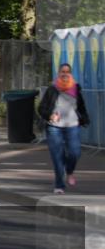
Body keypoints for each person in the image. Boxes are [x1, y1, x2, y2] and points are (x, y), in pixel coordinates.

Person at [38, 63, 90, 194]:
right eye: (62, 71)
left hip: (72, 126)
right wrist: (50, 116)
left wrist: (85, 118)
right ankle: (59, 185)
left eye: (67, 72)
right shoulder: (52, 89)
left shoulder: (75, 88)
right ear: (58, 73)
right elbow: (41, 108)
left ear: (70, 74)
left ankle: (69, 170)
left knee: (75, 152)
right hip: (54, 127)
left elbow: (81, 106)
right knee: (57, 156)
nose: (65, 74)